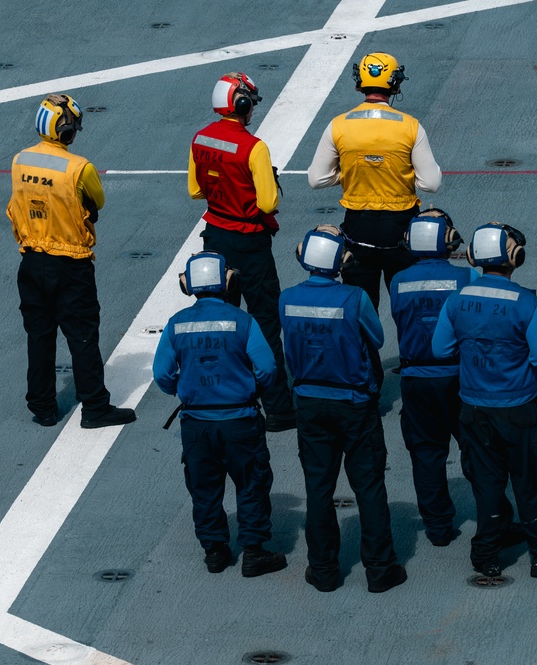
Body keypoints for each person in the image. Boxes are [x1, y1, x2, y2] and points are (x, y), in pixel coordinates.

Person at [432, 222, 537, 579]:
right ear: (514, 258)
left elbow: (441, 349)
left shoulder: (457, 300)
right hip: (519, 409)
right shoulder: (525, 302)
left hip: (474, 409)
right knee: (531, 484)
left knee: (487, 484)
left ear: (474, 257)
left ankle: (485, 555)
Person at [279, 226, 406, 593]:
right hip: (353, 402)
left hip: (309, 403)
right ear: (342, 261)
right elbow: (377, 338)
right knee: (369, 486)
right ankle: (380, 570)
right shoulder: (354, 298)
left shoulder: (288, 299)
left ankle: (322, 570)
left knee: (318, 488)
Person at [152, 251, 288, 577]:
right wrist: (250, 390)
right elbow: (268, 368)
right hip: (240, 421)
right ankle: (253, 552)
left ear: (188, 285)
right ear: (227, 281)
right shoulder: (243, 321)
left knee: (204, 489)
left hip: (196, 424)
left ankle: (214, 551)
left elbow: (161, 374)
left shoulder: (176, 324)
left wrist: (185, 390)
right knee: (252, 483)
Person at [8, 93, 136, 429]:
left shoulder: (20, 160)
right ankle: (95, 407)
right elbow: (98, 200)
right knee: (82, 337)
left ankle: (43, 407)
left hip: (31, 262)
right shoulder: (80, 168)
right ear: (66, 131)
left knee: (39, 336)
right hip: (70, 265)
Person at [189, 72, 296, 433]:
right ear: (242, 104)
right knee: (265, 322)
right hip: (250, 241)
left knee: (221, 321)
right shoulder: (255, 147)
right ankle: (278, 409)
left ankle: (225, 397)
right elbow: (267, 203)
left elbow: (195, 190)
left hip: (215, 238)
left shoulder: (200, 138)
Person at [307, 52, 442, 312]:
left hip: (358, 226)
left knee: (361, 308)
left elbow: (317, 178)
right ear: (395, 83)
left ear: (360, 81)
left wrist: (351, 173)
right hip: (400, 228)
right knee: (409, 306)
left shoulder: (338, 125)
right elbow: (431, 183)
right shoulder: (411, 126)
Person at [388, 209, 477, 546]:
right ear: (449, 241)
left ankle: (438, 528)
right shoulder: (466, 277)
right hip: (460, 377)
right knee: (477, 449)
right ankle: (494, 516)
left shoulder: (398, 281)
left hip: (416, 379)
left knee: (426, 454)